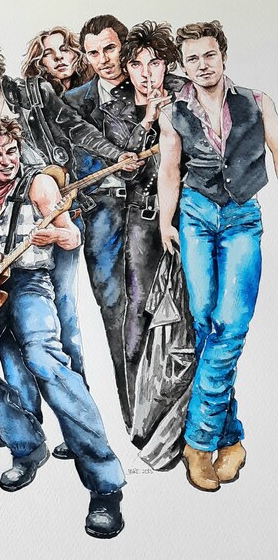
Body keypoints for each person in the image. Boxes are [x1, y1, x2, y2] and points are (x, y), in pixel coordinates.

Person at [0, 34, 137, 454]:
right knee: (9, 334)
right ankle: (26, 421)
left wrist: (113, 155)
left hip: (52, 217)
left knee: (61, 324)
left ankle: (75, 426)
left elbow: (74, 129)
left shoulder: (29, 91)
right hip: (8, 241)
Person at [0, 118, 125, 538]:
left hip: (30, 284)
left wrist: (54, 236)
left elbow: (72, 236)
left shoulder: (38, 184)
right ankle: (26, 443)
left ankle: (105, 485)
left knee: (46, 361)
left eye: (11, 151)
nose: (6, 160)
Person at [158, 21, 278, 492]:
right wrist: (166, 221)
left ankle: (198, 441)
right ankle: (231, 439)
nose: (202, 65)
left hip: (242, 218)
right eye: (192, 59)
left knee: (231, 325)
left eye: (209, 55)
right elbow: (170, 170)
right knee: (206, 324)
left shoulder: (257, 101)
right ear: (184, 66)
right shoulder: (173, 113)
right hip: (195, 217)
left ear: (223, 55)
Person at [64, 15, 140, 430]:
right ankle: (133, 414)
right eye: (93, 53)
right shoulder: (73, 101)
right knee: (114, 311)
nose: (104, 59)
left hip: (150, 209)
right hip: (101, 217)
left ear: (124, 46)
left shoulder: (151, 85)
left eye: (110, 48)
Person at [117, 21, 187, 408]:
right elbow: (122, 165)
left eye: (155, 63)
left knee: (190, 310)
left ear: (167, 65)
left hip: (188, 214)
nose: (146, 74)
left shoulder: (186, 94)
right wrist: (146, 121)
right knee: (140, 306)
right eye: (137, 65)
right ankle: (137, 410)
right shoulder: (119, 106)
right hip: (142, 217)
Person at [21, 27, 92, 95]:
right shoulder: (36, 95)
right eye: (48, 53)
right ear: (39, 62)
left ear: (77, 53)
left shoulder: (93, 89)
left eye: (64, 49)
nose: (58, 56)